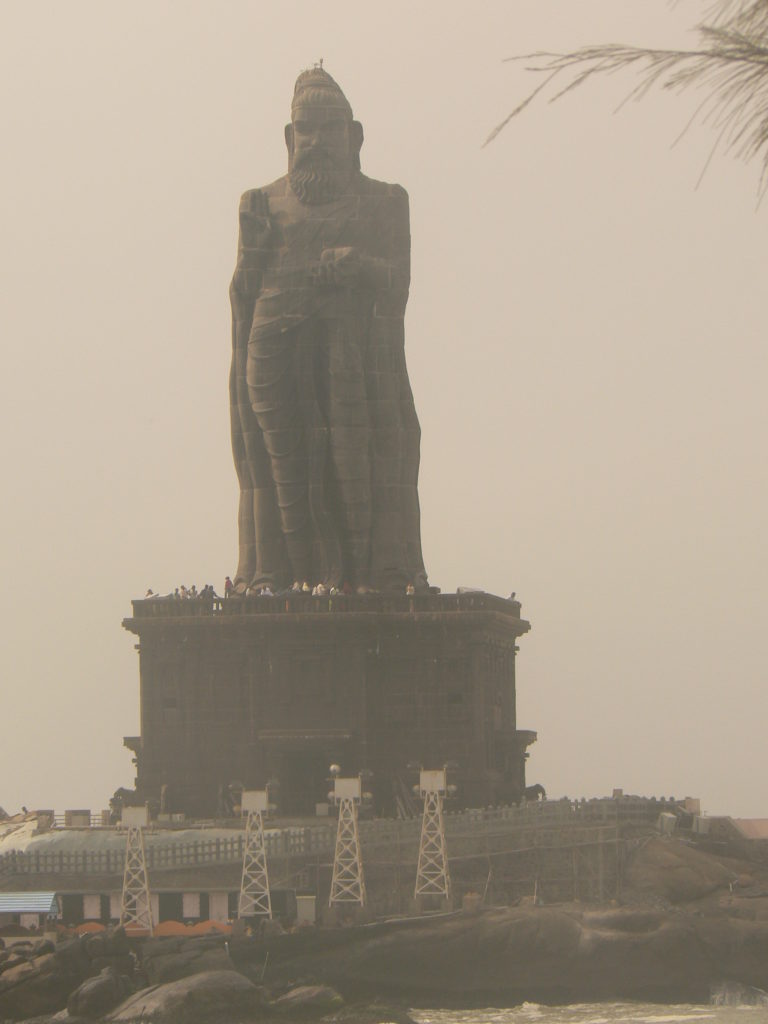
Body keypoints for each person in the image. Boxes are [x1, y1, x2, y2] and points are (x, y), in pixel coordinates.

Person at [230, 66, 428, 597]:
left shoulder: (385, 202)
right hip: (273, 354)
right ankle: (285, 578)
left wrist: (357, 265)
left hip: (354, 361)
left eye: (329, 129)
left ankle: (369, 576)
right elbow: (244, 293)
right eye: (306, 131)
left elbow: (398, 284)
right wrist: (250, 254)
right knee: (281, 479)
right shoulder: (261, 203)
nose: (316, 142)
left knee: (355, 473)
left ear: (354, 136)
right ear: (289, 138)